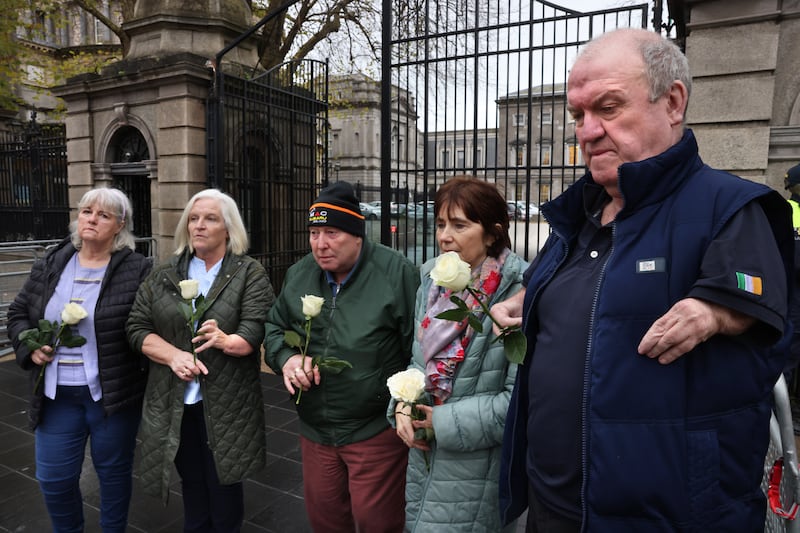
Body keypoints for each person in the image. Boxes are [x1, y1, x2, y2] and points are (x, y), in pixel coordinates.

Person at [491, 28, 794, 531]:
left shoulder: (731, 207)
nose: (586, 132)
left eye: (607, 108)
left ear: (673, 102)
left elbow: (763, 304)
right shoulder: (577, 216)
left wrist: (715, 311)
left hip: (668, 517)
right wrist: (533, 298)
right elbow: (592, 292)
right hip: (553, 506)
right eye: (578, 115)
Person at [264, 181, 419, 532]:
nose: (320, 244)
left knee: (377, 522)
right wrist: (287, 358)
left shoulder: (396, 274)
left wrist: (406, 404)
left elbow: (419, 349)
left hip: (374, 430)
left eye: (331, 232)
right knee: (326, 521)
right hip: (315, 430)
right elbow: (273, 328)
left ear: (357, 235)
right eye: (314, 233)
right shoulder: (300, 273)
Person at [126, 189, 274, 531]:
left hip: (226, 403)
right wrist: (174, 355)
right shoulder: (164, 273)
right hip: (174, 402)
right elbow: (136, 327)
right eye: (193, 218)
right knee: (191, 486)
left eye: (210, 218)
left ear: (228, 228)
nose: (199, 226)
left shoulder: (248, 273)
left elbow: (255, 330)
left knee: (224, 488)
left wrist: (226, 339)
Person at [7, 187, 152, 533]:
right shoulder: (52, 263)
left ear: (119, 225)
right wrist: (29, 346)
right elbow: (18, 315)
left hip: (111, 397)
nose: (92, 219)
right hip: (57, 397)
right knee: (54, 479)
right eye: (87, 211)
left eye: (103, 215)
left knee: (114, 475)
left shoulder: (138, 269)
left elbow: (146, 324)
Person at [388, 176, 524, 532]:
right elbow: (419, 363)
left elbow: (518, 402)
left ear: (492, 233)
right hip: (425, 457)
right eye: (440, 224)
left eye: (459, 225)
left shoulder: (519, 294)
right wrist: (403, 404)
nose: (444, 236)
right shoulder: (432, 283)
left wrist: (441, 421)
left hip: (476, 469)